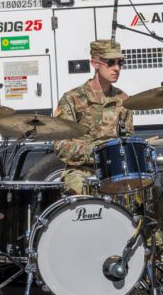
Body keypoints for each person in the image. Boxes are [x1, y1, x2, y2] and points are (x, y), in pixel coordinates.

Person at [54, 40, 135, 195]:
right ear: (95, 63)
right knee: (77, 190)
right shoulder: (72, 98)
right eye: (110, 62)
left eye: (120, 63)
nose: (116, 68)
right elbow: (60, 144)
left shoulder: (123, 99)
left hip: (114, 171)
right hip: (81, 170)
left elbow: (128, 140)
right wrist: (97, 152)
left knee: (152, 191)